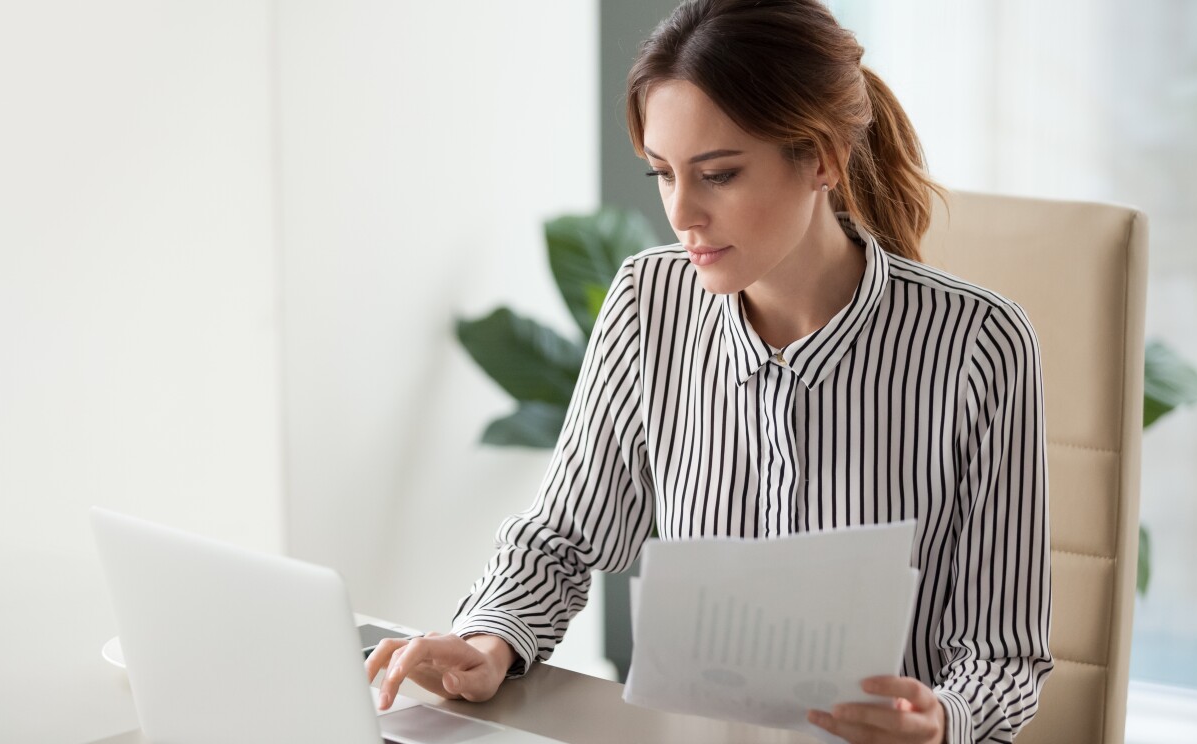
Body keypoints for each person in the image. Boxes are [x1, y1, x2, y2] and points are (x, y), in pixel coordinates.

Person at [366, 1, 1053, 741]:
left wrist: (941, 722)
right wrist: (488, 640)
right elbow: (561, 537)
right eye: (663, 174)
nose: (681, 212)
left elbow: (1002, 655)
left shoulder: (981, 344)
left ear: (821, 157)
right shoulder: (646, 303)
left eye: (718, 174)